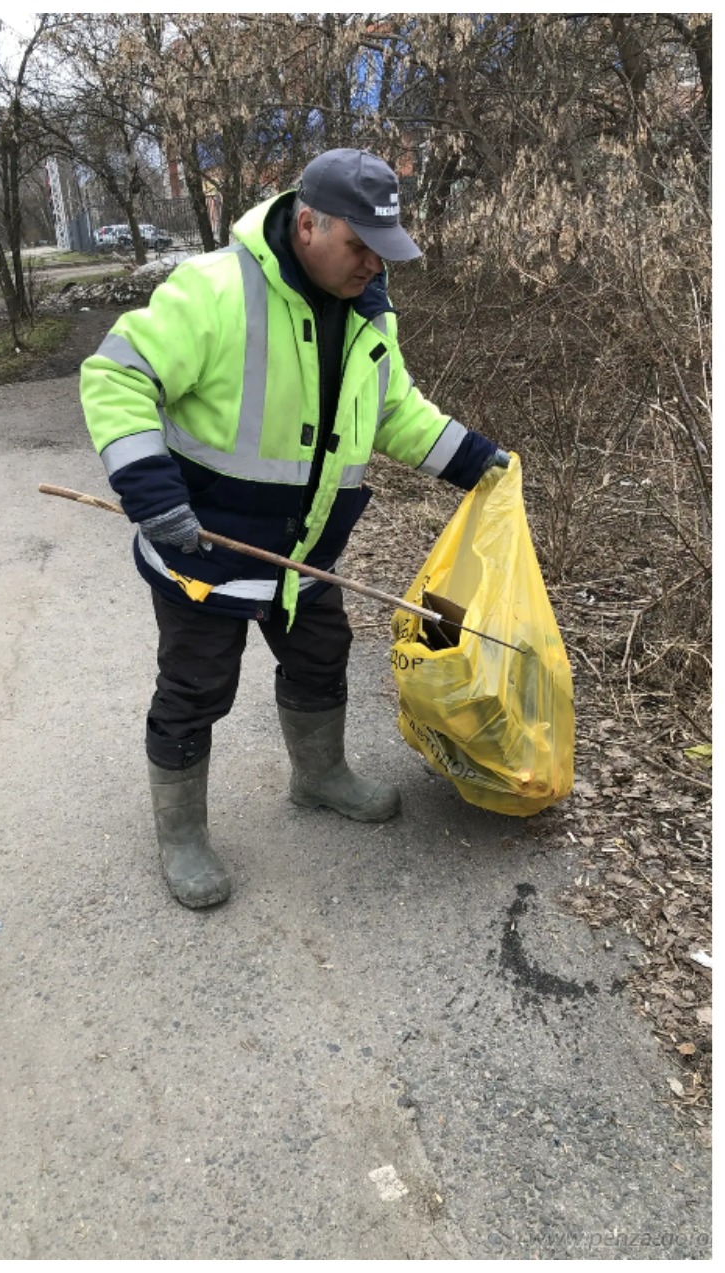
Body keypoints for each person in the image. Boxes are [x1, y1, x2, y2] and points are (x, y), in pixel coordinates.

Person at [80, 148, 510, 910]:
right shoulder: (215, 290)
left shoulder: (369, 315)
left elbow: (395, 412)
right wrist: (152, 493)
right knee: (195, 686)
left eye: (384, 252)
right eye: (359, 246)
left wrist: (477, 460)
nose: (373, 266)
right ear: (307, 223)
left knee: (320, 655)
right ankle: (181, 835)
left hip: (306, 553)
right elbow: (117, 375)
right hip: (203, 548)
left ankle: (319, 775)